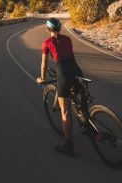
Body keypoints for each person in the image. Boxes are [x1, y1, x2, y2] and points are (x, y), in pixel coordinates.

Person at [36, 18, 83, 157]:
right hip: (76, 71)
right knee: (78, 98)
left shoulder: (47, 43)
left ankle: (69, 146)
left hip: (63, 73)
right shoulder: (68, 39)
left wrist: (42, 79)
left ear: (47, 29)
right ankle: (84, 120)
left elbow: (44, 64)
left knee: (65, 111)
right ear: (60, 28)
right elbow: (72, 58)